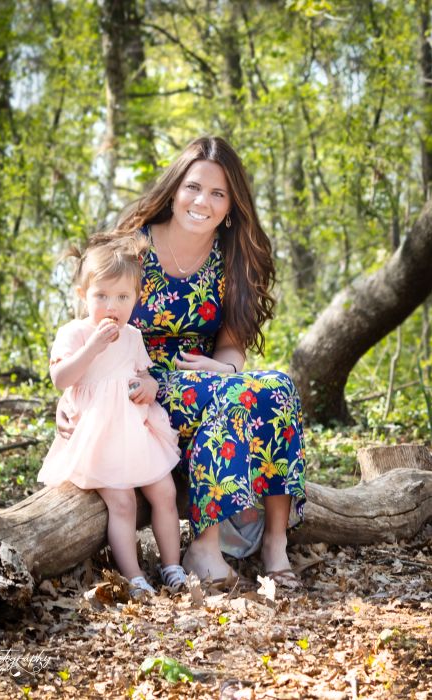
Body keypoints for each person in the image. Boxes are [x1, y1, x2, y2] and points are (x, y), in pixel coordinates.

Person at [112, 135, 307, 589]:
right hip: (141, 384)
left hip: (205, 379)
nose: (203, 201)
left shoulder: (233, 257)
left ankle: (275, 543)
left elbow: (232, 344)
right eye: (194, 187)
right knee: (233, 395)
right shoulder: (132, 249)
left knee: (278, 386)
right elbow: (96, 325)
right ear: (175, 190)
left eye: (218, 193)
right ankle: (204, 544)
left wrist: (226, 371)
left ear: (231, 205)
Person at [38, 234, 187, 595]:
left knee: (165, 492)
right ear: (82, 296)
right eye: (101, 296)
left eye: (122, 297)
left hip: (135, 431)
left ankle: (172, 567)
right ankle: (134, 576)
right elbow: (60, 378)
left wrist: (149, 385)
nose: (111, 305)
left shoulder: (133, 337)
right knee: (121, 502)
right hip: (97, 435)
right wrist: (91, 347)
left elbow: (142, 374)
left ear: (136, 299)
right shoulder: (75, 333)